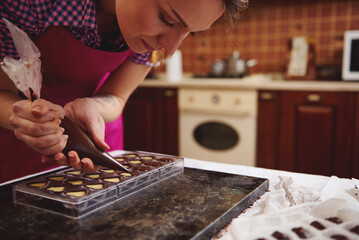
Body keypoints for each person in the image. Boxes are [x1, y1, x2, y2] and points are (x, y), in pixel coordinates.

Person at [0, 0, 248, 183]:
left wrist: (93, 107)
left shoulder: (155, 39)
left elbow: (117, 96)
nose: (171, 49)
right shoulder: (31, 4)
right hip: (22, 140)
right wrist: (27, 118)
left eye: (190, 32)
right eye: (167, 19)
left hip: (95, 136)